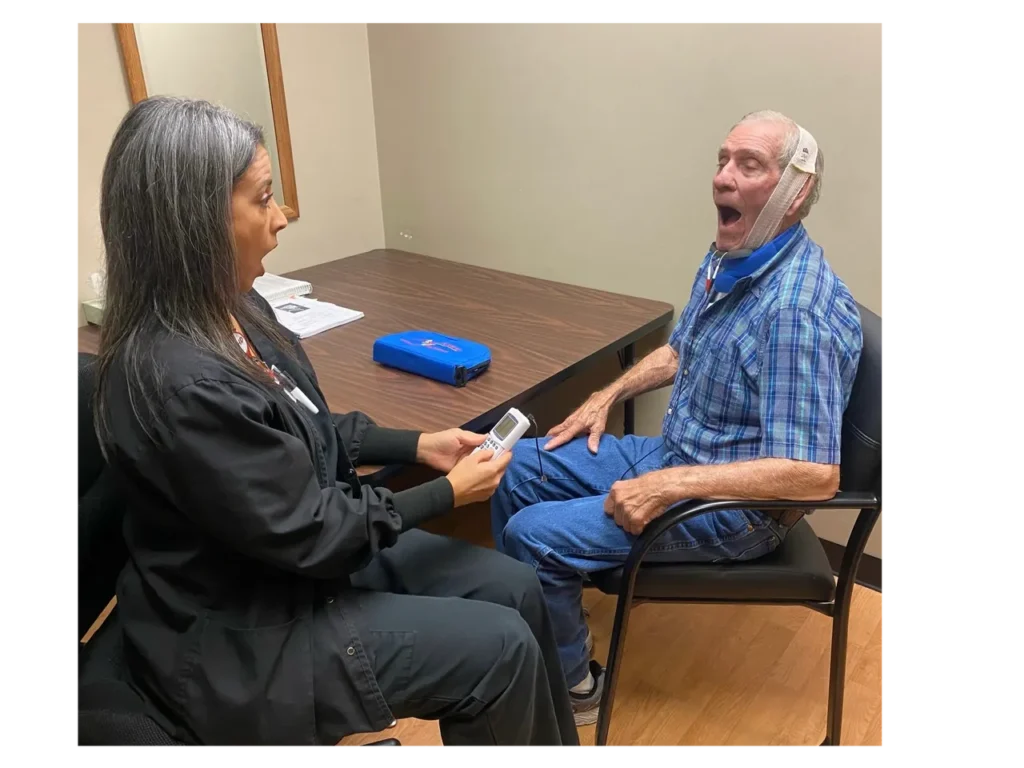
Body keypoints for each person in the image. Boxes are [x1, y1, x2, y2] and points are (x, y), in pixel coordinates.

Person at [92, 96, 580, 752]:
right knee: (498, 653)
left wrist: (417, 444)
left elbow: (305, 420)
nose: (282, 216)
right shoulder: (177, 378)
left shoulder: (237, 306)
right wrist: (448, 495)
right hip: (248, 627)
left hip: (293, 568)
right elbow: (316, 534)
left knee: (515, 587)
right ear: (197, 221)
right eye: (263, 199)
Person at [490, 110, 864, 726]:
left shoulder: (796, 312)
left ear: (794, 194)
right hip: (680, 456)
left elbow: (814, 475)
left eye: (750, 165)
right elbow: (680, 348)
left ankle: (573, 687)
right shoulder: (733, 257)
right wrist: (604, 397)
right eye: (722, 159)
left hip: (738, 509)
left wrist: (668, 485)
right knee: (508, 468)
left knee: (535, 533)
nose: (723, 177)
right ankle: (540, 637)